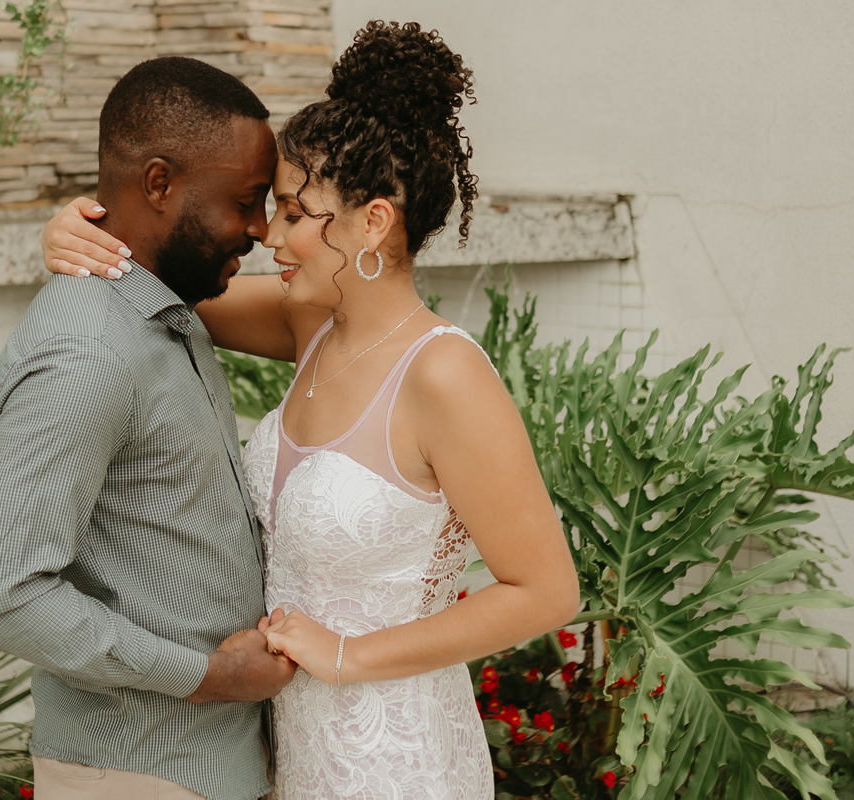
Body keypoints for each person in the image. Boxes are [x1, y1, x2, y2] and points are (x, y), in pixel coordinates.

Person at [42, 22, 580, 799]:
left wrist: (348, 657)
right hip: (294, 754)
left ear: (373, 222)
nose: (271, 236)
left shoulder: (445, 375)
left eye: (295, 213)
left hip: (398, 762)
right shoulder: (310, 324)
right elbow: (155, 278)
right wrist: (79, 228)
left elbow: (545, 591)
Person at [0, 56, 296, 800]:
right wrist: (208, 677)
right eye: (246, 201)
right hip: (138, 772)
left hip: (203, 766)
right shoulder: (87, 353)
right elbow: (0, 594)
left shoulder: (165, 309)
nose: (261, 229)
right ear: (159, 183)